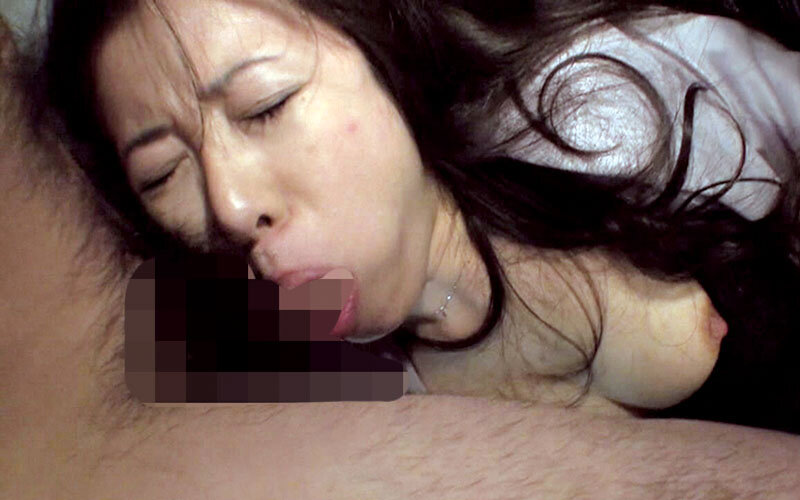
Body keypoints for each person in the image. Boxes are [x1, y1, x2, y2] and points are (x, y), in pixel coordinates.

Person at [2, 19, 800, 498]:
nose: (230, 205)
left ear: (381, 49)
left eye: (266, 106)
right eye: (162, 174)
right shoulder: (343, 405)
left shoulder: (611, 108)